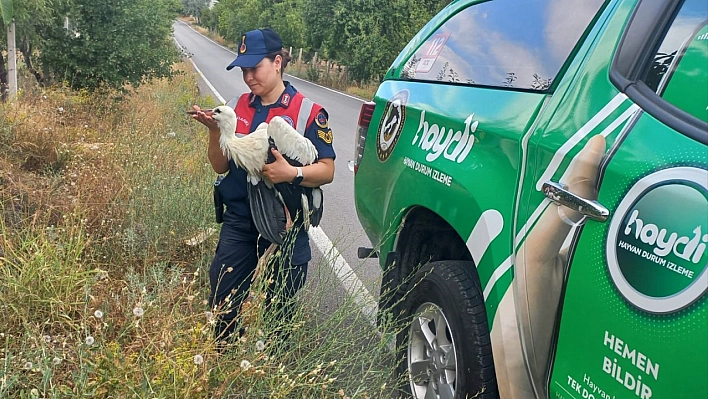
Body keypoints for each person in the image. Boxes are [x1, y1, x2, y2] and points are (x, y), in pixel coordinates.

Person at [191, 28, 336, 341]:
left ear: (278, 63)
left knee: (278, 313)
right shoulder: (236, 106)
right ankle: (224, 369)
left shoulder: (308, 113)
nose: (248, 77)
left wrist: (292, 174)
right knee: (222, 305)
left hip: (284, 227)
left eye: (255, 68)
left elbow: (327, 170)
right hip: (240, 222)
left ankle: (272, 371)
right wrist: (215, 133)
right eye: (244, 70)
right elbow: (219, 165)